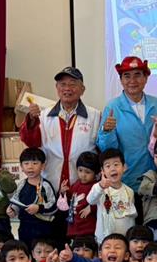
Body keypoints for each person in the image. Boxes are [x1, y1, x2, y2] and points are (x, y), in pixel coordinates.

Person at [21, 66, 102, 194]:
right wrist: (31, 120)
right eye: (63, 84)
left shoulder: (95, 116)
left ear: (82, 89)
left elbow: (102, 149)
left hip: (84, 189)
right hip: (50, 186)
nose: (67, 88)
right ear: (57, 88)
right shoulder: (43, 116)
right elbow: (31, 143)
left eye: (72, 84)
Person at [97, 56, 157, 192]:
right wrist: (107, 131)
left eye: (137, 75)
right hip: (126, 180)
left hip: (155, 179)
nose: (132, 81)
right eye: (127, 76)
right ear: (121, 80)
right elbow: (108, 151)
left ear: (145, 78)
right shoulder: (112, 107)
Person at [8, 146, 59, 251]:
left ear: (43, 166)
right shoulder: (21, 185)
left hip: (43, 228)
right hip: (24, 227)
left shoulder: (45, 185)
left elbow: (54, 207)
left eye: (35, 163)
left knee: (42, 253)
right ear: (21, 167)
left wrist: (39, 208)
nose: (30, 167)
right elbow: (16, 201)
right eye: (26, 164)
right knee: (26, 252)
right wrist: (12, 210)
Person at [89, 148, 137, 244]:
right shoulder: (99, 188)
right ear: (102, 171)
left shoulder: (129, 191)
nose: (112, 169)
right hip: (105, 240)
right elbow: (90, 200)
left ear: (124, 167)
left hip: (125, 239)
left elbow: (131, 216)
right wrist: (100, 186)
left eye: (116, 164)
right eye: (108, 166)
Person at [65, 151, 100, 241]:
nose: (83, 175)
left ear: (96, 173)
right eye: (80, 170)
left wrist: (91, 208)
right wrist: (63, 192)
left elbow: (102, 202)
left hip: (88, 228)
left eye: (87, 172)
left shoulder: (96, 187)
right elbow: (69, 199)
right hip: (73, 227)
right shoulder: (76, 184)